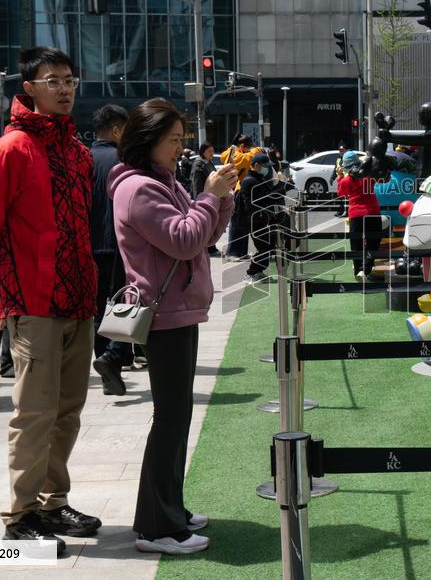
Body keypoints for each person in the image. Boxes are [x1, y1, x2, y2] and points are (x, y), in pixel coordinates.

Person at [0, 46, 100, 556]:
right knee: (34, 413)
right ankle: (20, 515)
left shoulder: (77, 152)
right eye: (53, 80)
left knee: (68, 410)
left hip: (77, 297)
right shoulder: (10, 150)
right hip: (34, 300)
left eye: (70, 79)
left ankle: (52, 500)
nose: (64, 88)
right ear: (29, 89)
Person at [109, 98, 237, 554]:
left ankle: (169, 510)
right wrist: (208, 194)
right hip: (163, 314)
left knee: (177, 415)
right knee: (169, 418)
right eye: (175, 139)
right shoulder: (139, 188)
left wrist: (219, 198)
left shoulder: (161, 182)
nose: (181, 147)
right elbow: (184, 240)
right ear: (149, 141)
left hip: (177, 309)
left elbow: (203, 234)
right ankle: (156, 527)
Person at [89, 104, 134, 397]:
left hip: (87, 246)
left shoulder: (81, 159)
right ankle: (113, 357)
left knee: (96, 309)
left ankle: (108, 362)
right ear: (117, 130)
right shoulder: (124, 160)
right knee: (122, 303)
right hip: (119, 244)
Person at [337, 150, 384, 282]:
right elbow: (381, 179)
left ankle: (358, 271)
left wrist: (340, 176)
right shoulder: (368, 176)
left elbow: (341, 193)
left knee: (356, 244)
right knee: (373, 242)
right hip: (373, 212)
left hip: (356, 214)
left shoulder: (346, 180)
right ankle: (366, 269)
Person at [239, 153, 286, 284]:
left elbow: (267, 195)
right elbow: (252, 203)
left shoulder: (258, 178)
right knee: (264, 247)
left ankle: (258, 271)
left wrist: (279, 188)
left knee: (268, 246)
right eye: (266, 166)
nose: (268, 169)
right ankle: (251, 273)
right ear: (256, 166)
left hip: (262, 218)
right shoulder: (249, 181)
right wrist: (277, 190)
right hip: (255, 220)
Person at [223, 135, 260, 260]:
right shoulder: (234, 153)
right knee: (237, 222)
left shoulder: (239, 152)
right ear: (242, 146)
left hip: (242, 190)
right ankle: (233, 252)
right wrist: (256, 151)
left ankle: (242, 252)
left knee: (244, 223)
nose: (249, 150)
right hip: (237, 191)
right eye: (248, 147)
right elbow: (248, 159)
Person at [330, 142, 348, 216]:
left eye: (342, 150)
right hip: (340, 181)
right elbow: (335, 170)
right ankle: (340, 211)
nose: (341, 152)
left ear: (346, 150)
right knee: (340, 196)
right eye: (340, 150)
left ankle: (347, 211)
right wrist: (332, 178)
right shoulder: (338, 159)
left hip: (347, 180)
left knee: (346, 197)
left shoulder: (348, 159)